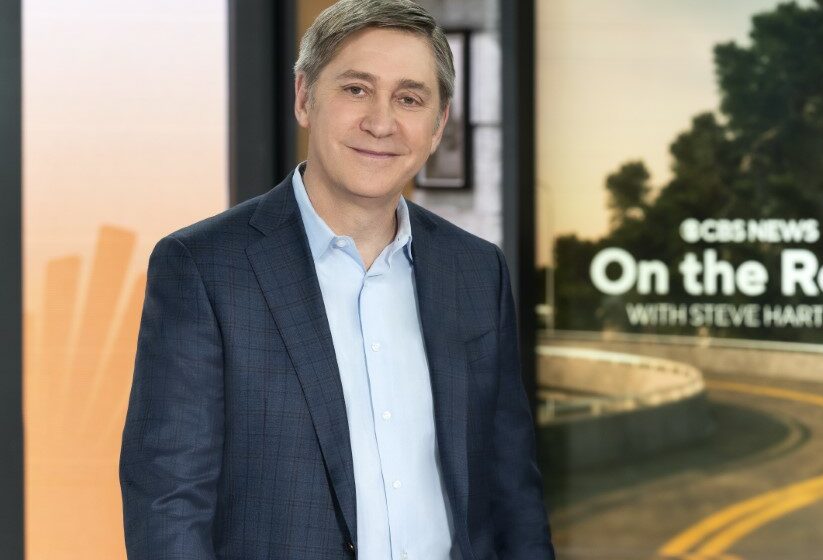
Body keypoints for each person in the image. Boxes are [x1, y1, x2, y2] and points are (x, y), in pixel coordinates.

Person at [118, 0, 555, 558]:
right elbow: (168, 501)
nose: (380, 121)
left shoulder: (476, 270)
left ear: (438, 124)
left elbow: (511, 487)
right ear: (304, 97)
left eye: (409, 98)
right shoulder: (204, 267)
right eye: (356, 89)